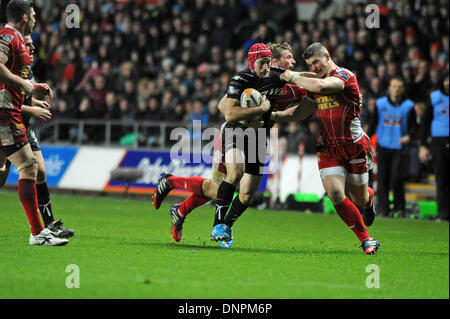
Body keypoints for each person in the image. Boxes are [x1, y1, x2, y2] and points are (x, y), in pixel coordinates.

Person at [153, 43, 315, 247]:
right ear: (274, 61)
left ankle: (193, 214)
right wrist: (257, 111)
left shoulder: (292, 87)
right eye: (288, 57)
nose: (292, 62)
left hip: (258, 136)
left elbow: (297, 112)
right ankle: (172, 184)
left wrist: (272, 114)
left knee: (234, 191)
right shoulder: (252, 80)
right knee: (221, 186)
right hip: (233, 132)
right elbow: (223, 106)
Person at [280, 42, 380, 255]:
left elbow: (323, 87)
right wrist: (269, 116)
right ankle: (366, 239)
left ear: (327, 55)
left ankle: (368, 199)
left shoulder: (345, 76)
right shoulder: (315, 83)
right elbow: (299, 113)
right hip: (328, 148)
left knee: (359, 199)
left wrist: (292, 76)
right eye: (310, 64)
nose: (314, 67)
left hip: (354, 146)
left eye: (316, 62)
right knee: (334, 193)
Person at [0, 0, 68, 246]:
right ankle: (38, 233)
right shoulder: (9, 37)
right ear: (25, 17)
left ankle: (40, 231)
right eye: (34, 13)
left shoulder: (15, 38)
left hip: (11, 112)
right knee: (29, 167)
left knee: (25, 169)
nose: (37, 17)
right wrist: (24, 84)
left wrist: (32, 86)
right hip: (5, 114)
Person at [366, 77, 416, 218]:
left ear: (403, 89)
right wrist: (367, 140)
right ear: (389, 88)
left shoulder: (408, 106)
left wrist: (409, 136)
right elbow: (373, 123)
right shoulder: (380, 104)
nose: (396, 89)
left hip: (399, 147)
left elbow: (414, 127)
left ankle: (400, 208)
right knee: (382, 179)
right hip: (383, 145)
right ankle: (383, 209)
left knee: (397, 178)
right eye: (394, 86)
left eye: (399, 86)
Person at [419, 73, 449, 221]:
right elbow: (425, 122)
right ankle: (443, 214)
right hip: (439, 142)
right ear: (444, 82)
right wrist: (423, 145)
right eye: (447, 80)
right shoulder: (435, 97)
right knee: (442, 178)